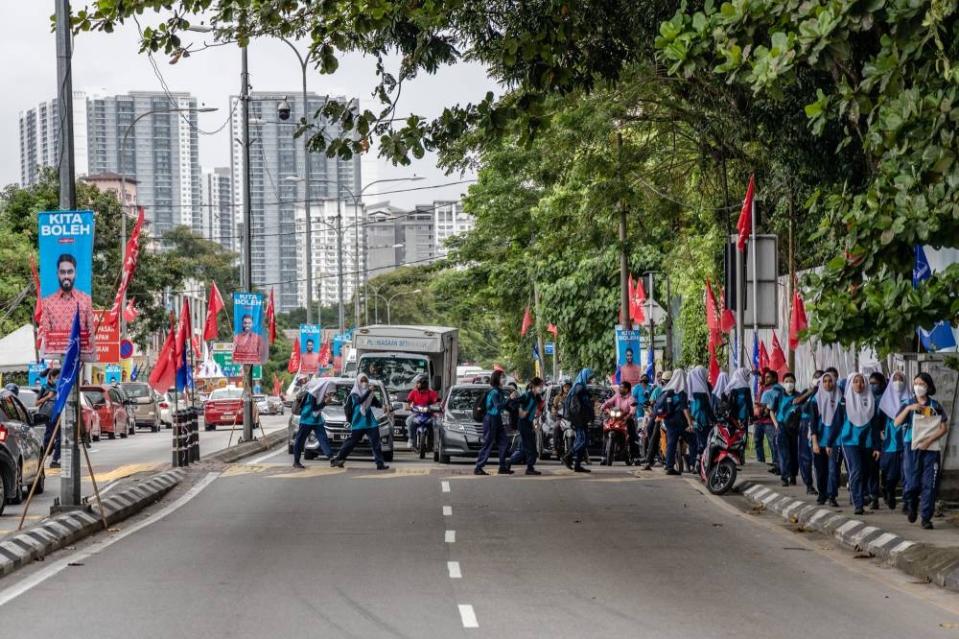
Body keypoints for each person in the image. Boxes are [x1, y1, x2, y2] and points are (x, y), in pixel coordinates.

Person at [895, 372, 949, 529]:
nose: (918, 387)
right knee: (911, 484)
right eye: (916, 383)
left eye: (922, 384)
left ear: (929, 386)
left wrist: (929, 441)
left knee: (930, 485)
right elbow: (896, 423)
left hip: (931, 449)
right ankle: (911, 504)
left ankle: (926, 517)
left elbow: (943, 427)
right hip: (911, 448)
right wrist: (909, 408)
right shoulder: (908, 403)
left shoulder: (935, 406)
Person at [41, 253, 96, 359]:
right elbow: (45, 336)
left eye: (70, 272)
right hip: (57, 362)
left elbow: (91, 333)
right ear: (58, 274)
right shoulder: (47, 302)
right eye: (63, 272)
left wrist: (91, 357)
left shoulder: (85, 299)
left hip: (80, 360)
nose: (66, 276)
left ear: (75, 273)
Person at [839, 372, 878, 515]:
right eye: (855, 381)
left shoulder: (871, 401)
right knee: (856, 470)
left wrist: (876, 447)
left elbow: (875, 425)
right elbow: (838, 422)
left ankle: (861, 496)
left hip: (866, 443)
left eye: (861, 381)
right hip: (850, 441)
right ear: (850, 384)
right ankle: (858, 503)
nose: (858, 384)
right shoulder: (844, 402)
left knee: (865, 472)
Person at [331, 374, 388, 470]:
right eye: (362, 381)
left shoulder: (370, 394)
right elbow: (359, 401)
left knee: (376, 442)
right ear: (358, 382)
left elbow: (376, 403)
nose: (364, 383)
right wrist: (369, 391)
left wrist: (384, 406)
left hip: (370, 421)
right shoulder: (354, 393)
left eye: (365, 380)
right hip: (358, 422)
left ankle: (380, 463)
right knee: (351, 442)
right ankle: (339, 458)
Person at [810, 372, 843, 507]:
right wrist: (815, 442)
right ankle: (822, 494)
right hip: (820, 440)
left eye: (830, 381)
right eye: (825, 381)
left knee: (833, 469)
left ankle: (832, 495)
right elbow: (813, 422)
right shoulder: (815, 400)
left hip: (835, 441)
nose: (827, 384)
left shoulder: (841, 399)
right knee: (820, 469)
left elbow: (840, 421)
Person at [474, 370, 515, 475]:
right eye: (502, 377)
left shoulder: (500, 391)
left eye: (504, 377)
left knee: (504, 442)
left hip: (497, 419)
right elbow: (499, 406)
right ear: (496, 379)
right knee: (488, 443)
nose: (504, 379)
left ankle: (502, 467)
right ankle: (478, 467)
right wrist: (509, 399)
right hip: (491, 419)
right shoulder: (494, 392)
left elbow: (504, 406)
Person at [877, 371, 909, 509]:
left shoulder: (910, 400)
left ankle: (907, 503)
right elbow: (878, 421)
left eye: (901, 378)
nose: (898, 381)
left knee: (906, 474)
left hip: (906, 442)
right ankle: (888, 491)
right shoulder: (884, 402)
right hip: (890, 443)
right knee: (891, 475)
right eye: (895, 379)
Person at [655, 368, 692, 475]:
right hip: (680, 420)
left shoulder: (666, 390)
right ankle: (694, 464)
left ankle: (669, 466)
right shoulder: (681, 390)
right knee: (693, 440)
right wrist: (690, 423)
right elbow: (685, 408)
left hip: (668, 420)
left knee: (671, 442)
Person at [769, 372, 803, 487]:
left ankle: (793, 475)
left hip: (795, 428)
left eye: (791, 381)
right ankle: (784, 476)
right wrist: (776, 425)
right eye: (787, 381)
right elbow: (771, 411)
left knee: (794, 453)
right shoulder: (779, 396)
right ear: (783, 383)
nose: (789, 384)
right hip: (782, 427)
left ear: (795, 383)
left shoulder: (799, 396)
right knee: (783, 453)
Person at [292, 380, 335, 468]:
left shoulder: (321, 393)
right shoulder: (313, 394)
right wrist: (325, 403)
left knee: (323, 439)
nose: (330, 395)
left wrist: (325, 401)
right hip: (307, 419)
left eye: (331, 394)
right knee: (300, 440)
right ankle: (296, 461)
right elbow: (314, 407)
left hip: (317, 419)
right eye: (329, 392)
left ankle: (332, 459)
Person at [795, 370, 824, 495]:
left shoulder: (826, 394)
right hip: (805, 426)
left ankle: (823, 486)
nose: (817, 381)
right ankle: (808, 484)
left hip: (819, 426)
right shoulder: (807, 393)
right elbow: (796, 402)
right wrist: (810, 392)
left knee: (819, 458)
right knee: (804, 456)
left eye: (820, 378)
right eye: (815, 378)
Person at [510, 377, 545, 475]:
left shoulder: (536, 397)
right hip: (523, 423)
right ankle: (510, 463)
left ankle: (529, 467)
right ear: (534, 386)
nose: (541, 388)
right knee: (529, 448)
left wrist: (534, 424)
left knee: (529, 448)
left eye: (542, 386)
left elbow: (536, 411)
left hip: (528, 424)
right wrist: (521, 411)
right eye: (540, 386)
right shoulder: (527, 395)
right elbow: (514, 403)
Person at [563, 368, 595, 473]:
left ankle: (577, 464)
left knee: (583, 441)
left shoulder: (581, 386)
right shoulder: (579, 387)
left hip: (582, 419)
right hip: (579, 419)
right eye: (589, 377)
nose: (590, 380)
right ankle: (568, 456)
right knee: (582, 440)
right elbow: (578, 405)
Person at [865, 371, 887, 509]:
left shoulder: (887, 399)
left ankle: (884, 491)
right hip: (870, 438)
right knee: (871, 469)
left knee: (883, 468)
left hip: (886, 437)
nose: (873, 387)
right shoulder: (867, 398)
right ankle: (872, 496)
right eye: (871, 384)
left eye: (876, 384)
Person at [601, 380, 637, 462]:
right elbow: (608, 402)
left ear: (627, 389)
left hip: (626, 418)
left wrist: (629, 415)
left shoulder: (631, 398)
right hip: (614, 418)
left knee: (632, 437)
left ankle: (635, 457)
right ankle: (603, 457)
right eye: (620, 387)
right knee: (605, 433)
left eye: (622, 387)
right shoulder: (617, 396)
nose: (620, 389)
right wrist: (604, 406)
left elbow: (633, 409)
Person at [687, 366, 714, 473]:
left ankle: (694, 464)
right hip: (702, 420)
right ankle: (700, 465)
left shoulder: (690, 388)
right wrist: (714, 419)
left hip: (693, 419)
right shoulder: (702, 390)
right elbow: (706, 407)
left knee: (696, 442)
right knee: (705, 442)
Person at [755, 369, 782, 474]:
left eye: (768, 377)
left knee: (773, 443)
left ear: (775, 378)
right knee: (758, 442)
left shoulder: (777, 389)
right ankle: (760, 462)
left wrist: (764, 409)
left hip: (769, 421)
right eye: (765, 377)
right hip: (759, 420)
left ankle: (776, 463)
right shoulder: (763, 388)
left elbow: (771, 405)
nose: (766, 379)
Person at [642, 370, 670, 470]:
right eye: (664, 382)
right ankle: (649, 460)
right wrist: (652, 413)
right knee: (652, 431)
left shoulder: (678, 391)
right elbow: (651, 403)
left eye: (668, 382)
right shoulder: (658, 390)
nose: (665, 384)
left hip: (671, 418)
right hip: (659, 416)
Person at [405, 374, 439, 450]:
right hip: (416, 414)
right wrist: (409, 407)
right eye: (416, 383)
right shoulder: (413, 392)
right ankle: (411, 439)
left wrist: (434, 407)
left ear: (424, 383)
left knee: (436, 424)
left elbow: (436, 403)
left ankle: (436, 443)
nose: (416, 385)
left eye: (418, 383)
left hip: (429, 415)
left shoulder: (432, 393)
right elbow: (408, 403)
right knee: (409, 421)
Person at [37, 368, 61, 468]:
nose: (58, 379)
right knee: (50, 436)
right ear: (52, 377)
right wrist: (48, 396)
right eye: (57, 377)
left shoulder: (60, 386)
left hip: (58, 414)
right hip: (48, 414)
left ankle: (54, 459)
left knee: (59, 437)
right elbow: (37, 402)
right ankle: (44, 458)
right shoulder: (45, 387)